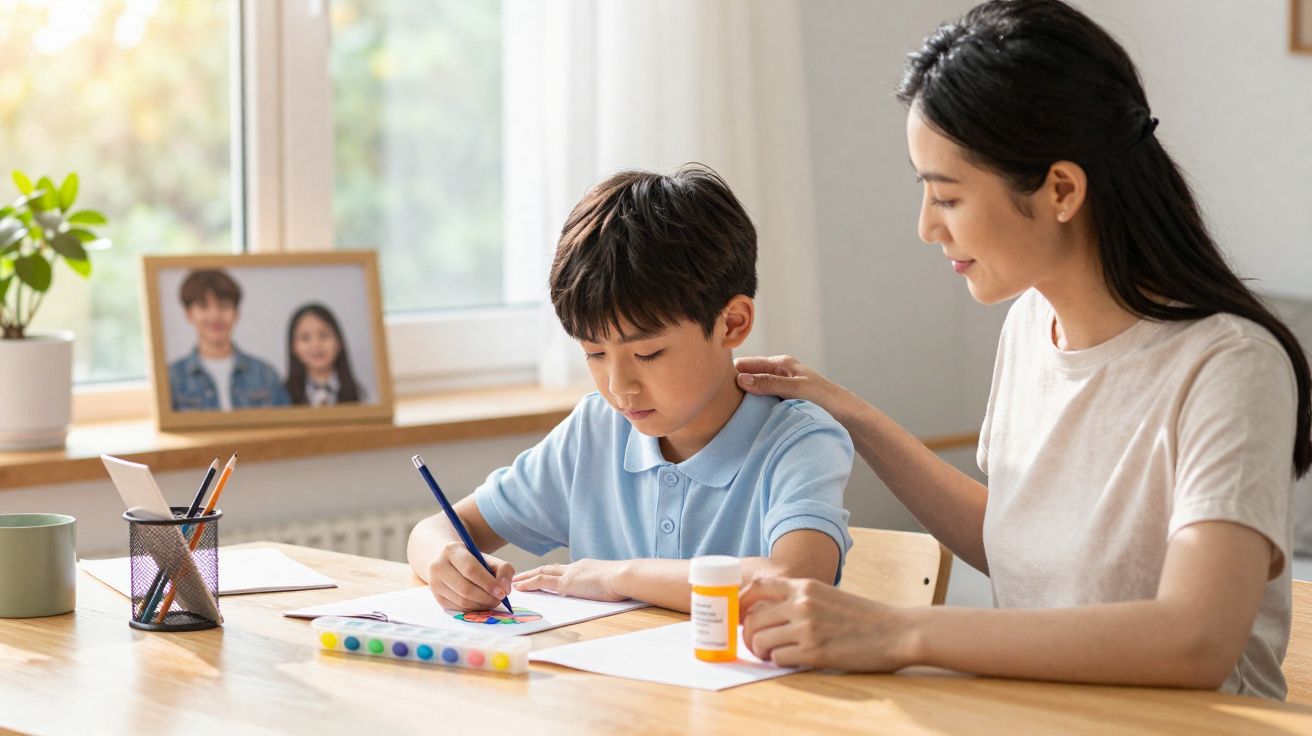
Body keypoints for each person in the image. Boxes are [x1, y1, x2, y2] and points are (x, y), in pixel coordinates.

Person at [734, 0, 1311, 700]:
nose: (926, 228)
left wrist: (896, 631)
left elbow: (1195, 639)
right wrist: (846, 413)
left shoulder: (1229, 367)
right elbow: (1023, 544)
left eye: (946, 197)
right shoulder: (1030, 327)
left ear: (1061, 189)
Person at [406, 164, 854, 613]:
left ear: (731, 323)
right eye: (594, 354)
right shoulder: (596, 429)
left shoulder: (798, 439)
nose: (619, 388)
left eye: (648, 355)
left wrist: (618, 575)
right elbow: (439, 528)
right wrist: (445, 560)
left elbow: (792, 581)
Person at [167, 269, 290, 411]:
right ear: (188, 314)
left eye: (223, 306)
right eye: (203, 306)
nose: (215, 316)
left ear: (236, 313)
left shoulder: (266, 374)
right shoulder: (172, 378)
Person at [285, 303, 364, 407]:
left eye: (323, 335)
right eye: (305, 338)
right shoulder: (283, 395)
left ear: (339, 343)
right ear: (293, 347)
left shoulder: (361, 395)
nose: (316, 345)